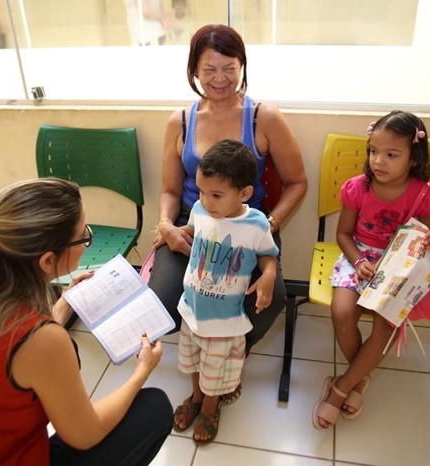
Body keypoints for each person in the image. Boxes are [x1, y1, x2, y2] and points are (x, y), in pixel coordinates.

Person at [0, 178, 173, 465]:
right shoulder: (43, 340)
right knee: (155, 407)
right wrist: (142, 370)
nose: (87, 241)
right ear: (47, 261)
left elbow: (14, 347)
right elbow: (86, 433)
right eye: (84, 235)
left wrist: (64, 304)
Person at [150, 24, 308, 404]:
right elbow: (170, 190)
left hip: (248, 222)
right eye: (209, 69)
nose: (219, 78)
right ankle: (201, 349)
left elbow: (297, 182)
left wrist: (267, 225)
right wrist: (167, 226)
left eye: (229, 68)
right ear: (194, 70)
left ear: (242, 67)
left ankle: (229, 359)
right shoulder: (180, 121)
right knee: (162, 302)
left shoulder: (263, 117)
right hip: (193, 224)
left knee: (268, 300)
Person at [312, 110, 430, 429]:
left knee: (386, 326)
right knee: (342, 313)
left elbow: (429, 240)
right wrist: (359, 261)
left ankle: (341, 388)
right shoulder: (358, 188)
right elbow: (343, 234)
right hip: (359, 256)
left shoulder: (426, 194)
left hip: (399, 264)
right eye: (373, 151)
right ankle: (359, 379)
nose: (378, 161)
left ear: (414, 158)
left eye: (391, 154)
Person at [170, 139, 279, 443]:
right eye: (202, 192)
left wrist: (269, 275)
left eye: (216, 195)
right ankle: (196, 397)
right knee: (193, 362)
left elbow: (268, 255)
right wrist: (173, 232)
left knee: (215, 371)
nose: (206, 201)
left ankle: (209, 407)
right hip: (192, 310)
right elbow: (194, 231)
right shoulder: (200, 209)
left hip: (225, 321)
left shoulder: (256, 223)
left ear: (244, 193)